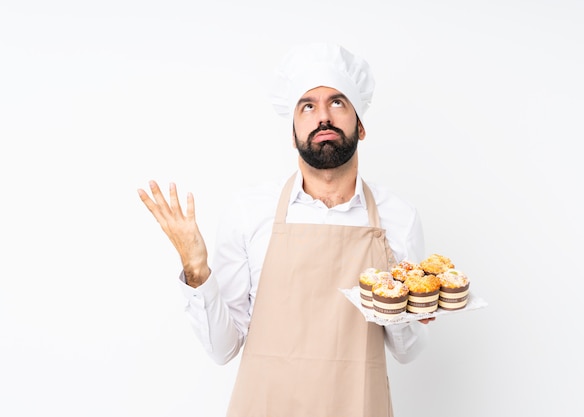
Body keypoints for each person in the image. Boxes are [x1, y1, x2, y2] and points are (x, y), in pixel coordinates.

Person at [138, 42, 434, 417]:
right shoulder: (249, 212)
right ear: (293, 131)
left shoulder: (399, 218)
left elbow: (408, 352)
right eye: (307, 106)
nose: (323, 116)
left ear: (360, 125)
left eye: (338, 102)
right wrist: (196, 270)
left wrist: (406, 306)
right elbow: (223, 349)